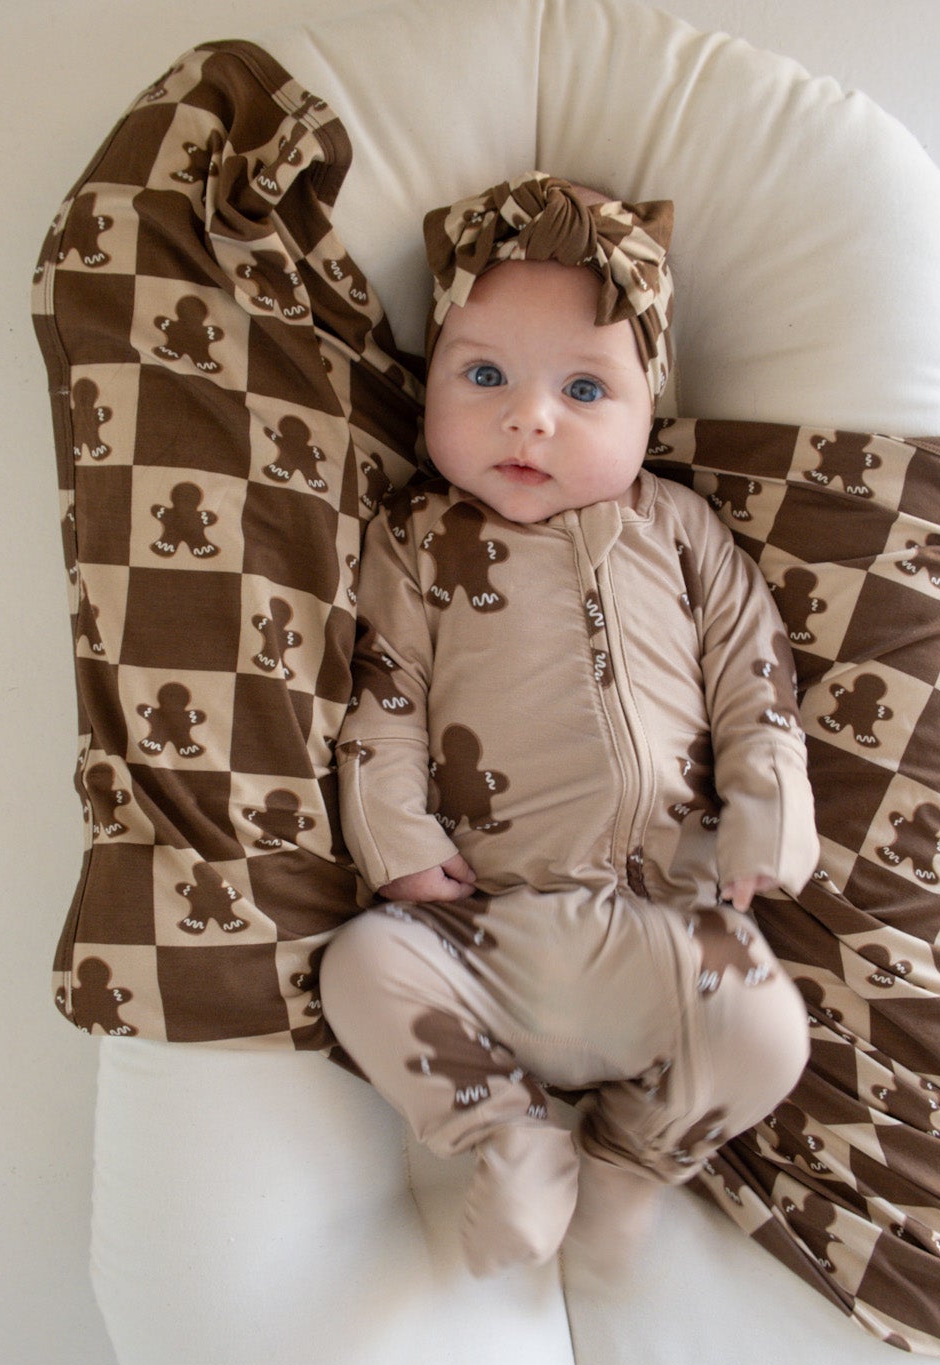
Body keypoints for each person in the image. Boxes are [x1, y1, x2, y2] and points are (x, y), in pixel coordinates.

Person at [318, 172, 819, 1285]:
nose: (528, 416)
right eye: (484, 374)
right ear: (430, 383)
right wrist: (391, 834)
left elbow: (755, 670)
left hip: (666, 934)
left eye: (585, 389)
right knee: (358, 966)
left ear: (651, 412)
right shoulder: (415, 540)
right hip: (482, 934)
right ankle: (506, 1131)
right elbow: (382, 691)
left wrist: (768, 807)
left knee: (771, 1035)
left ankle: (636, 1160)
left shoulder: (677, 528)